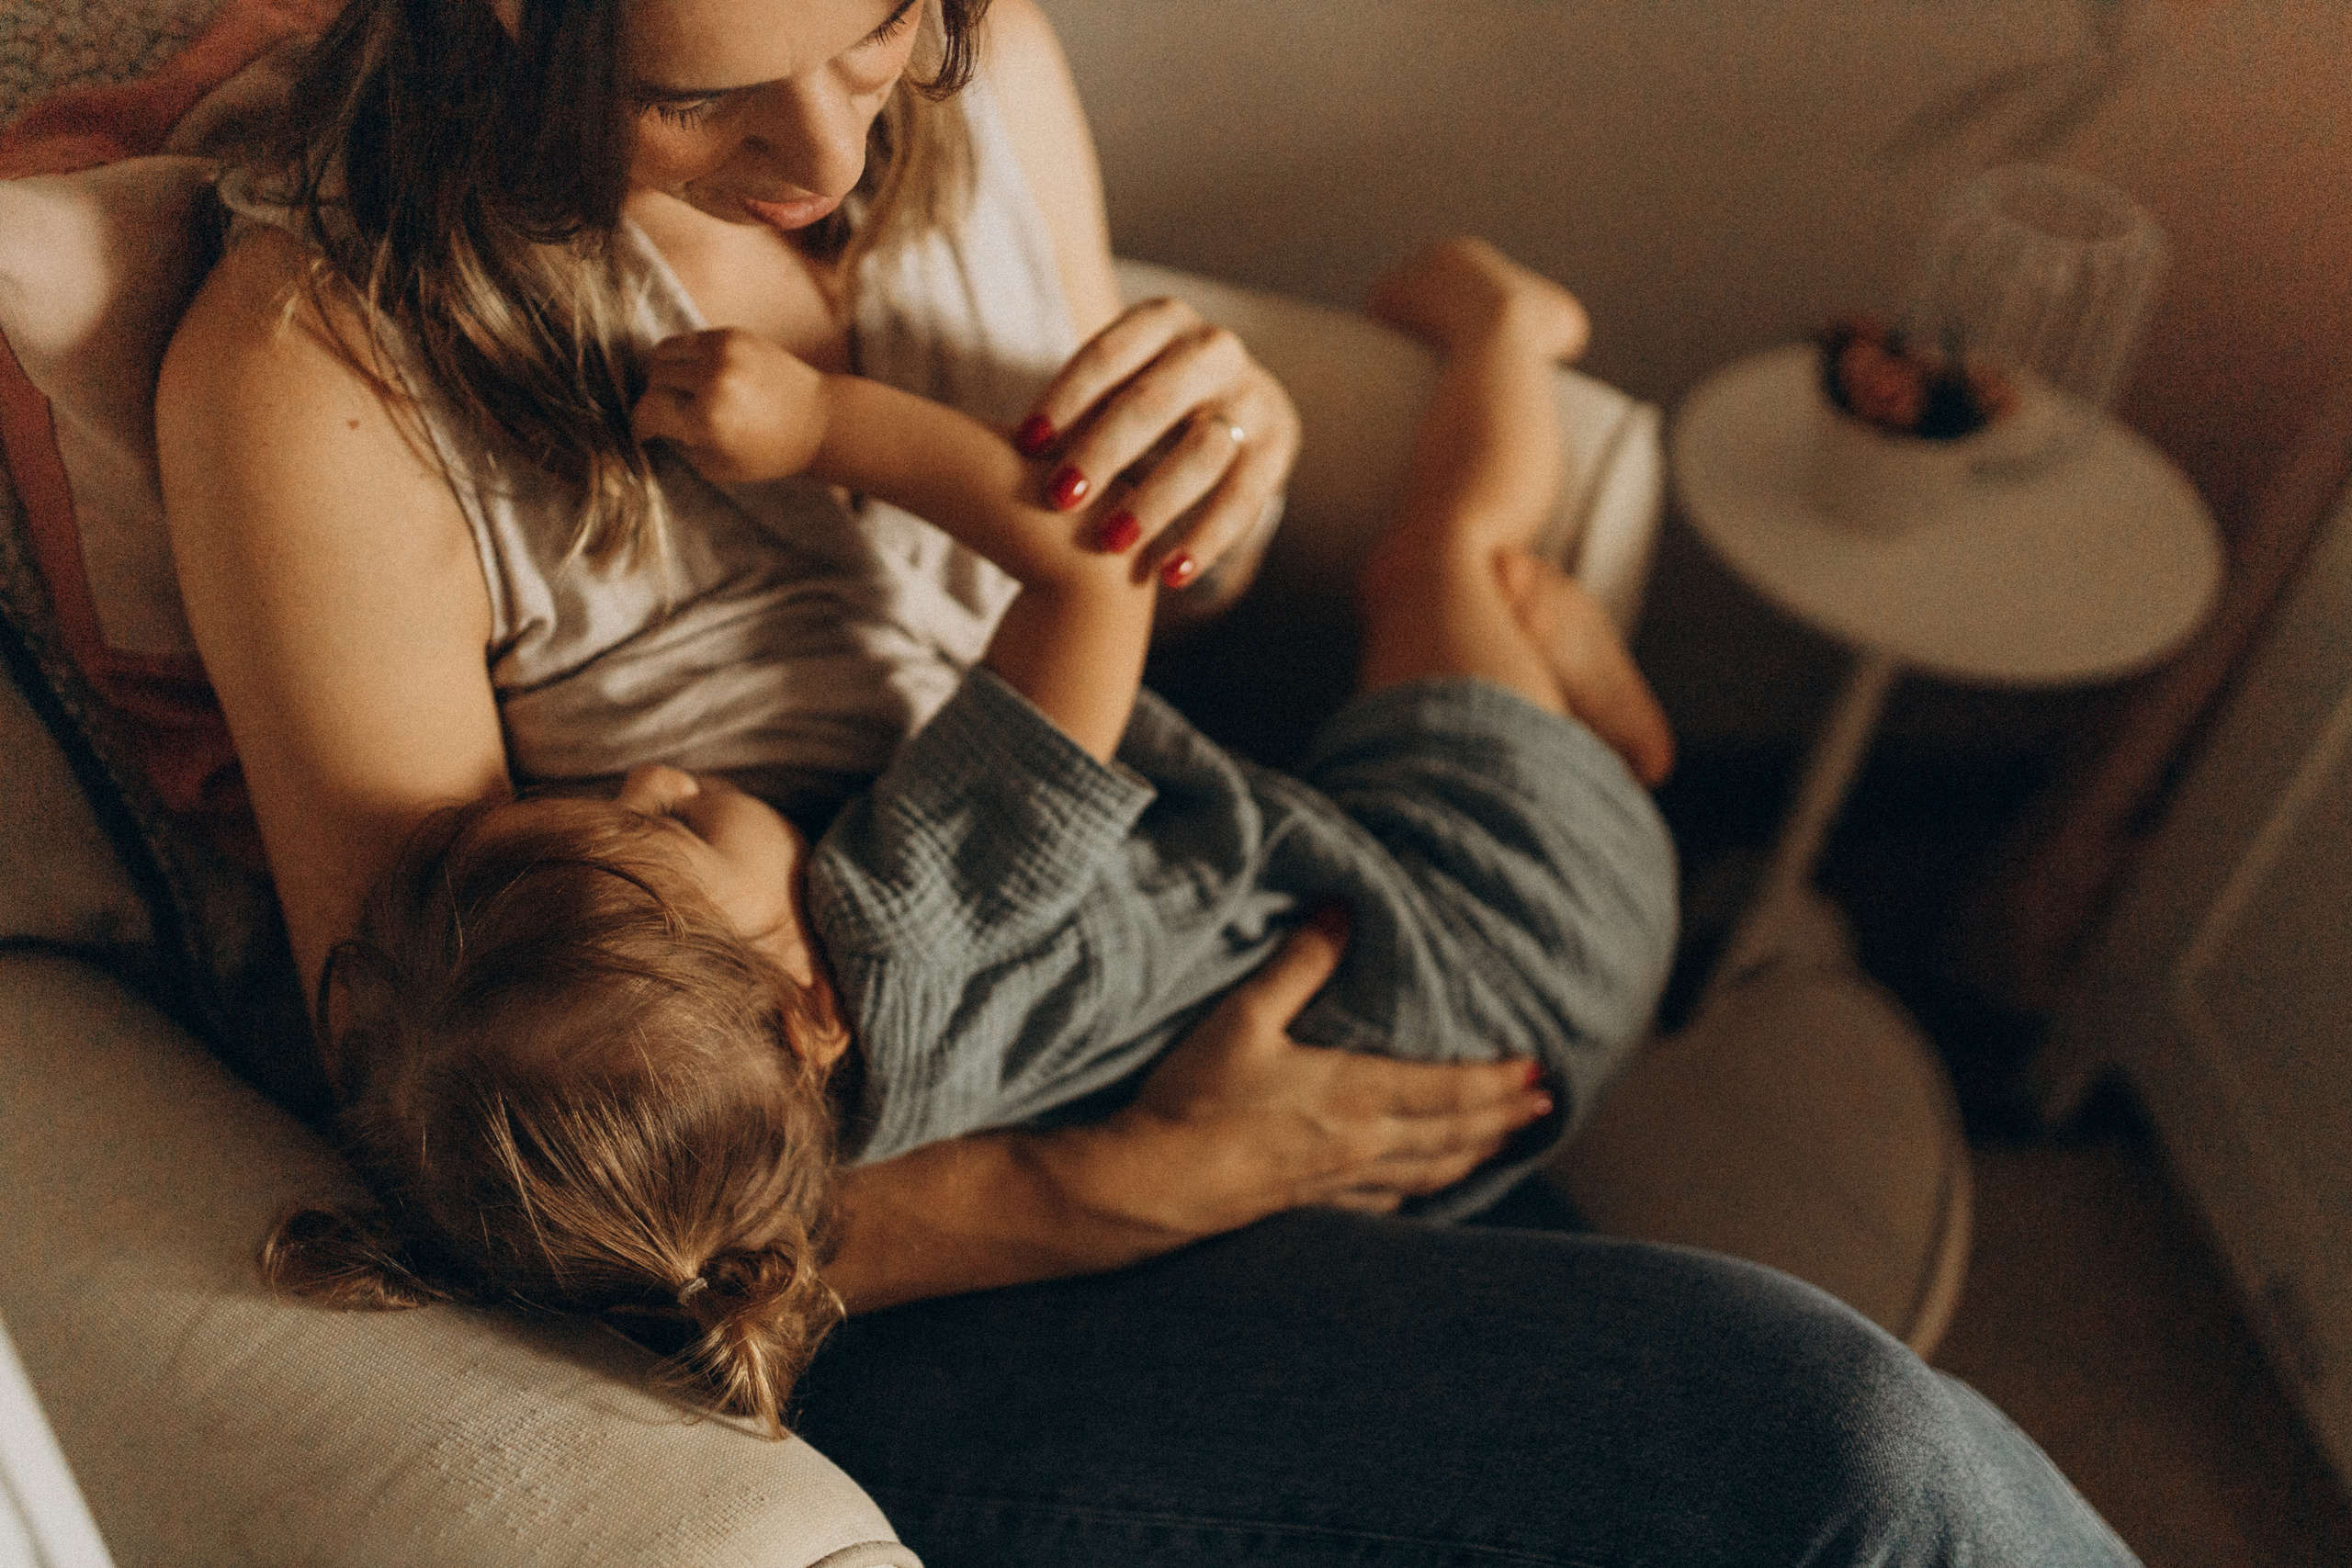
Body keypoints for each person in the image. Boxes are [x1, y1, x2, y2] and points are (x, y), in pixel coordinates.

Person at [154, 0, 2140, 1561]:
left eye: (873, 33)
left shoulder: (986, 69)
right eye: (701, 99)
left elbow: (1132, 610)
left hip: (1180, 957)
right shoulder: (327, 368)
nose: (830, 149)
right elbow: (482, 1166)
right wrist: (1086, 1189)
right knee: (1849, 1460)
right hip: (897, 1290)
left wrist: (1228, 448)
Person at [266, 238, 1680, 1426]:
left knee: (1476, 627)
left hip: (1464, 1111)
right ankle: (1510, 335)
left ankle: (1577, 697)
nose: (650, 778)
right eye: (683, 824)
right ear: (809, 1010)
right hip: (1503, 910)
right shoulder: (912, 911)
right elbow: (1091, 576)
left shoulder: (752, 1175)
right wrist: (821, 426)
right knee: (1440, 556)